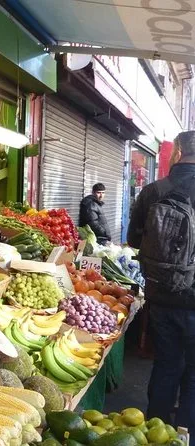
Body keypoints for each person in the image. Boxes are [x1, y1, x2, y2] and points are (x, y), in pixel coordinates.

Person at [127, 130, 195, 440]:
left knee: (166, 363)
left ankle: (155, 431)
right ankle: (184, 434)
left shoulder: (153, 191)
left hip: (162, 297)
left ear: (176, 153)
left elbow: (133, 239)